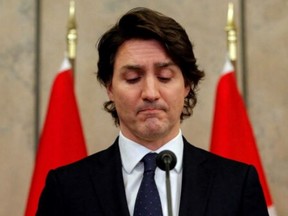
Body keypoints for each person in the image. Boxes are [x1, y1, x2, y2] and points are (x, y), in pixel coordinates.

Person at [37, 7, 269, 216]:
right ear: (109, 88)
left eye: (164, 77)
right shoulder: (66, 187)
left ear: (187, 85)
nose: (150, 92)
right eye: (133, 78)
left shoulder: (236, 184)